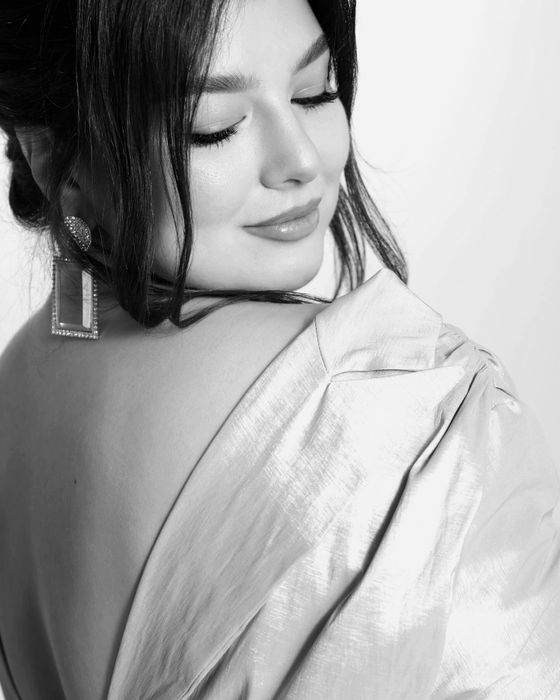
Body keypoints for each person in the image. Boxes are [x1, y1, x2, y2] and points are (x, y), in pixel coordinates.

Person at [0, 0, 559, 698]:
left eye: (314, 92)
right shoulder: (413, 417)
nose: (300, 160)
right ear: (59, 160)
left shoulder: (21, 381)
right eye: (214, 127)